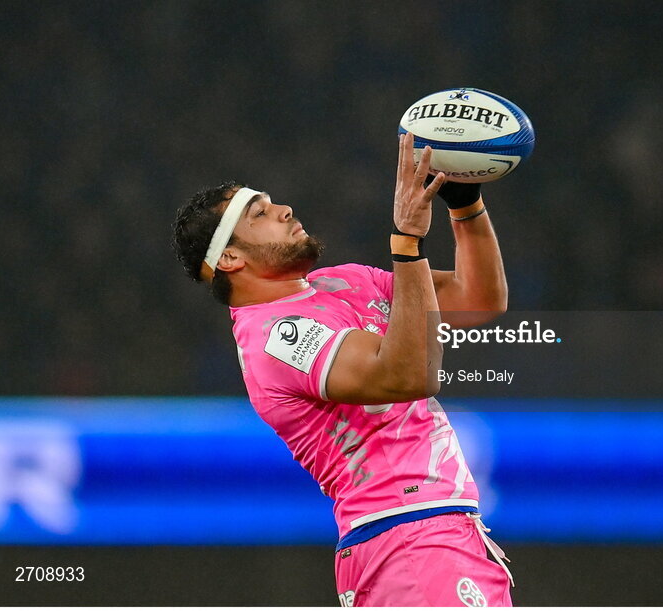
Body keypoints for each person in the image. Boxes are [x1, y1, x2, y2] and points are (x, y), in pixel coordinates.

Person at [171, 133, 512, 607]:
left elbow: (478, 301)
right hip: (406, 536)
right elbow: (407, 376)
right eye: (260, 214)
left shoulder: (345, 280)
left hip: (433, 531)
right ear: (230, 258)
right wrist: (407, 242)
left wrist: (465, 204)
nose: (284, 210)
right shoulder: (276, 337)